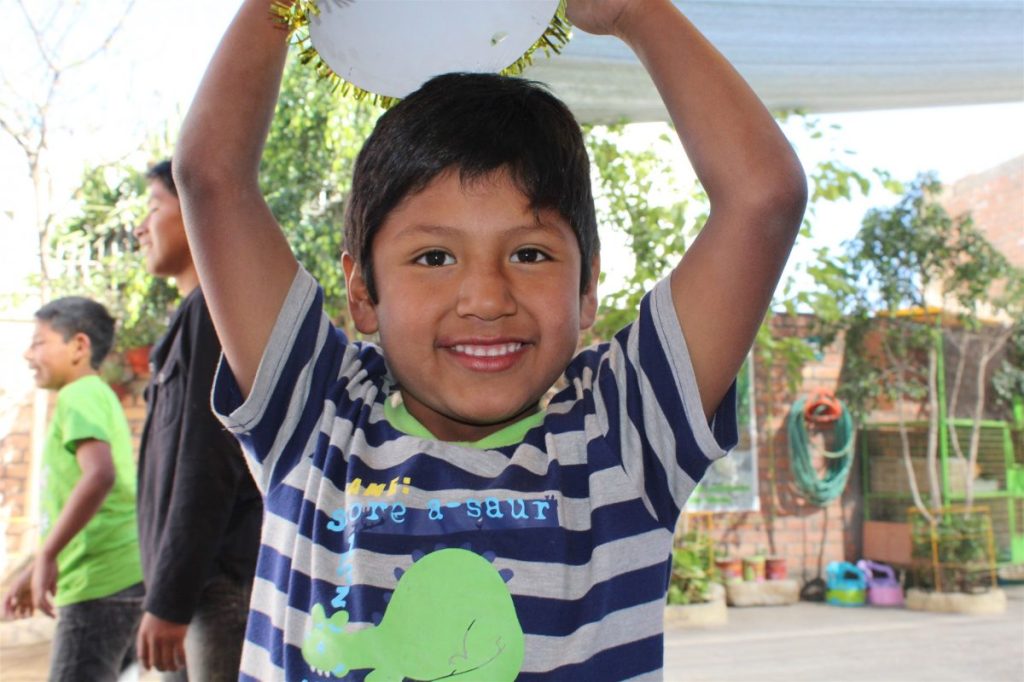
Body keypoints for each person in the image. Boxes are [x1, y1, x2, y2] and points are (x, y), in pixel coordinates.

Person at [172, 0, 807, 678]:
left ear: (587, 288)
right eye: (434, 257)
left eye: (530, 254)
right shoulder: (317, 415)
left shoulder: (622, 435)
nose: (486, 299)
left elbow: (762, 197)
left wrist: (633, 11)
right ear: (362, 293)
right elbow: (212, 178)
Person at [132, 160, 263, 679]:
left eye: (153, 207)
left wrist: (170, 599)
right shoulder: (193, 313)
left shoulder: (213, 311)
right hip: (193, 591)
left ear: (193, 210)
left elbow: (206, 461)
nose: (140, 228)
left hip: (213, 591)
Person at [3, 297, 144, 681]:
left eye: (39, 342)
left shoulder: (78, 395)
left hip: (100, 582)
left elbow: (100, 475)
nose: (28, 354)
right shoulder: (92, 395)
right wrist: (36, 565)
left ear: (79, 346)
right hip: (116, 577)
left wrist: (48, 554)